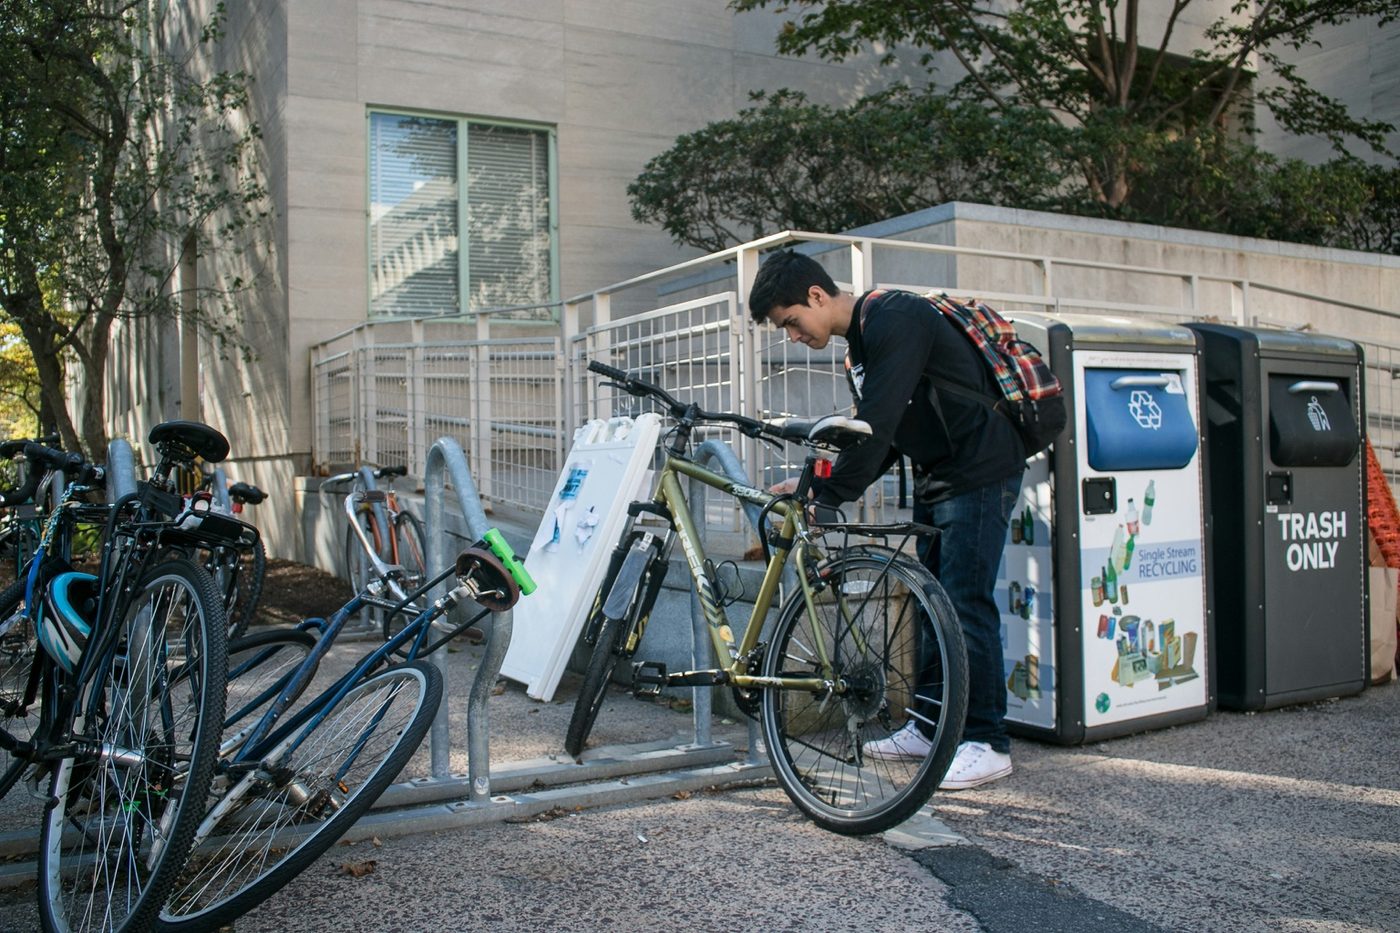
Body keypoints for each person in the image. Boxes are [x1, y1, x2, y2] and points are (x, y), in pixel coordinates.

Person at [748, 249, 1026, 790]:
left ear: (816, 296)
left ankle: (988, 740)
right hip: (941, 475)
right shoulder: (862, 347)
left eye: (791, 322)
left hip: (981, 470)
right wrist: (818, 489)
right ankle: (928, 724)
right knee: (931, 603)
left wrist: (828, 497)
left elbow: (875, 426)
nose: (793, 336)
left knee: (965, 601)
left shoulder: (895, 317)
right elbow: (886, 441)